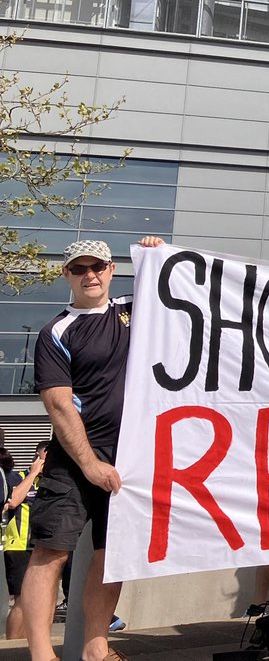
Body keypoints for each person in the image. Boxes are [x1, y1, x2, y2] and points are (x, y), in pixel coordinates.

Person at [22, 236, 164, 661]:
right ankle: (42, 654)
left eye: (98, 266)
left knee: (112, 554)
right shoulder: (55, 332)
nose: (91, 275)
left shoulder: (132, 309)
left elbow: (179, 290)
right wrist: (88, 463)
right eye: (80, 268)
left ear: (111, 270)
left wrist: (156, 252)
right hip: (74, 459)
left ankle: (96, 648)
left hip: (131, 459)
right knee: (51, 552)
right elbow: (59, 405)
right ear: (66, 275)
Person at [4, 441, 48, 638]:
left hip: (43, 546)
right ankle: (12, 647)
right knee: (22, 600)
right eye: (41, 459)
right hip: (19, 545)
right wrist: (32, 474)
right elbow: (13, 501)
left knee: (43, 599)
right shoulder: (19, 477)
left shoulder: (51, 482)